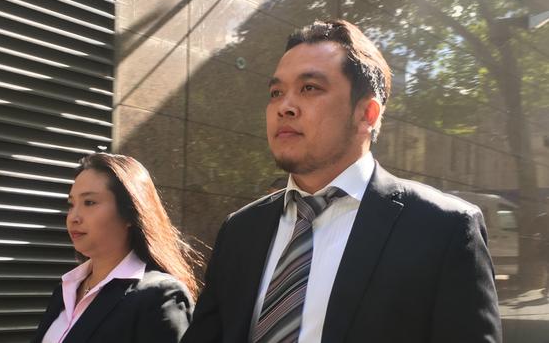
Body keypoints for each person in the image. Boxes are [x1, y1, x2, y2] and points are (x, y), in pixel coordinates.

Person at [181, 20, 502, 343]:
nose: (285, 107)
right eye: (276, 92)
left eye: (309, 88)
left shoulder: (443, 229)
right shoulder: (241, 229)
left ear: (367, 114)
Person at [32, 153, 202, 343]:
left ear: (130, 213)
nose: (74, 217)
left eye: (89, 203)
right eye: (71, 205)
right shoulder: (65, 290)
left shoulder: (159, 296)